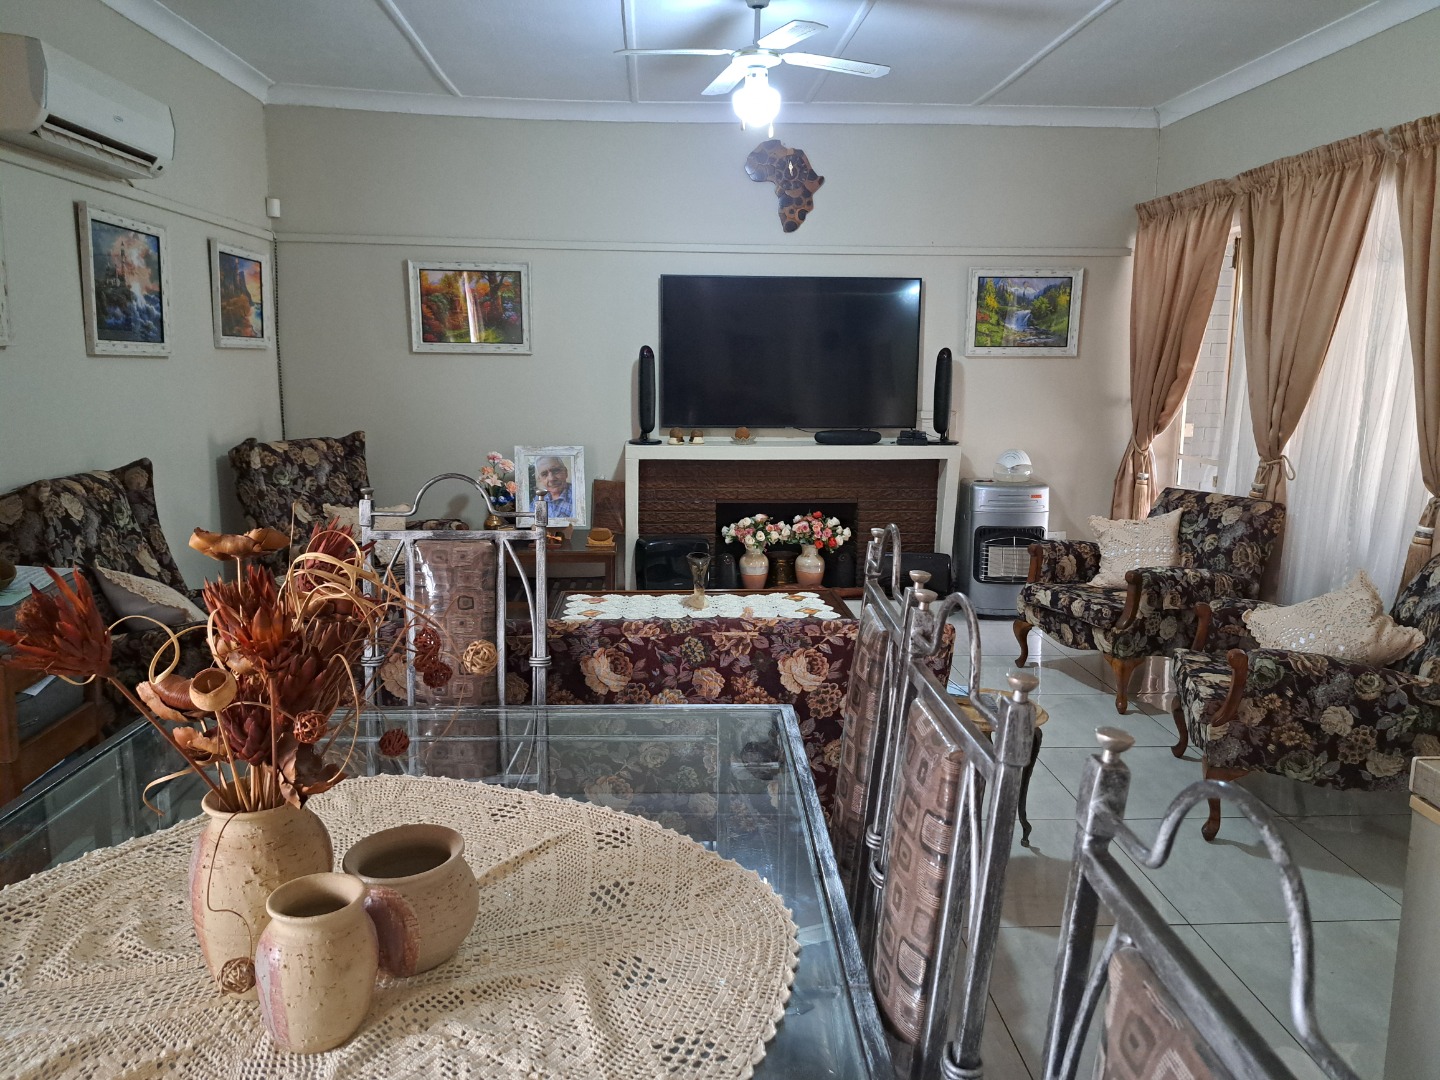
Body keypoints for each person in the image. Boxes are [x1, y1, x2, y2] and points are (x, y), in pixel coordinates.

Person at [533, 455, 574, 520]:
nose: (551, 478)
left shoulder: (577, 498)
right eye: (544, 474)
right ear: (540, 479)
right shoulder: (539, 497)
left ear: (565, 472)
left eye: (555, 471)